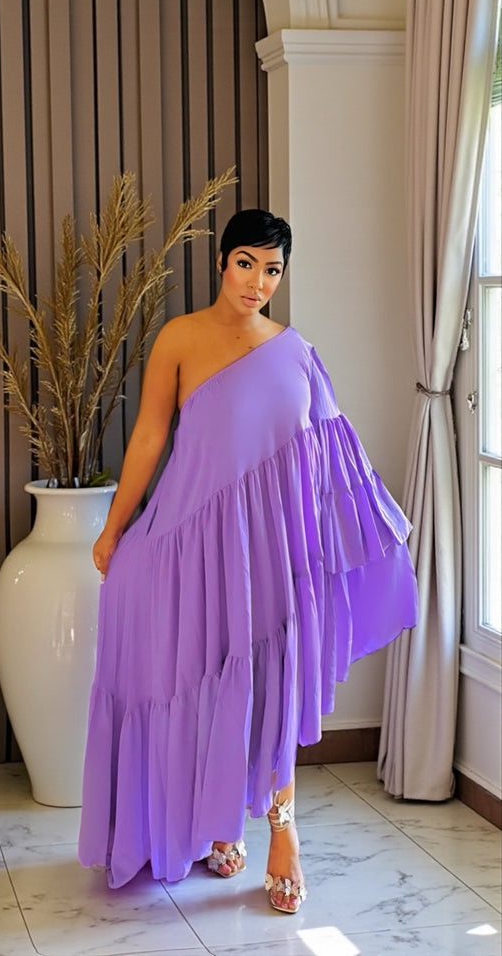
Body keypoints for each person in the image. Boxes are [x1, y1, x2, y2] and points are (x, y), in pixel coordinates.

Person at [78, 209, 418, 914]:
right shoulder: (180, 338)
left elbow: (328, 457)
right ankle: (213, 823)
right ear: (221, 262)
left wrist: (355, 531)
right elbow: (149, 437)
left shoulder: (296, 353)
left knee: (270, 688)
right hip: (186, 542)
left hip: (269, 556)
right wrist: (114, 530)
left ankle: (283, 835)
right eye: (245, 264)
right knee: (196, 679)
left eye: (272, 270)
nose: (257, 282)